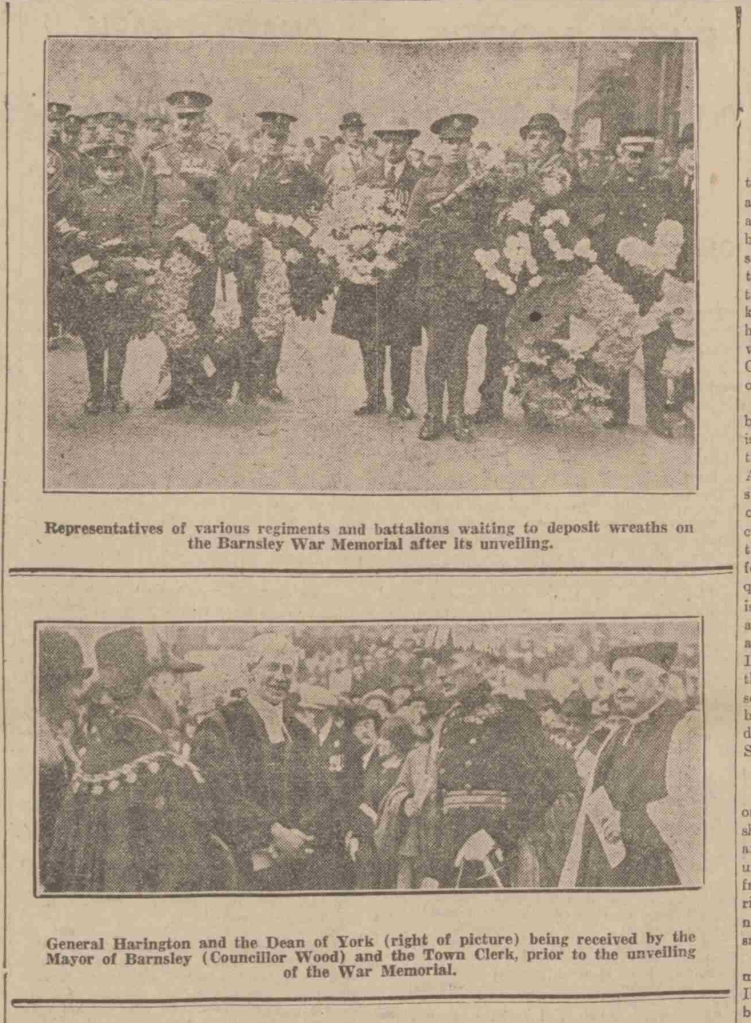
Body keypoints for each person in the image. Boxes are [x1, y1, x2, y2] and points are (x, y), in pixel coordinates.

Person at [44, 627, 219, 893]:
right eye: (172, 679)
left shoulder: (104, 744)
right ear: (150, 684)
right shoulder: (152, 751)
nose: (181, 690)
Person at [387, 654, 578, 888]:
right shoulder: (449, 721)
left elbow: (541, 787)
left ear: (478, 665)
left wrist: (493, 835)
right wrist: (434, 867)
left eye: (449, 663)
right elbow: (440, 802)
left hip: (501, 853)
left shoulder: (514, 714)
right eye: (438, 666)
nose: (440, 674)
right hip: (451, 854)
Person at [191, 634, 331, 891]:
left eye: (287, 670)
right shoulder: (219, 725)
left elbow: (320, 793)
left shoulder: (301, 733)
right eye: (272, 667)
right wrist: (274, 833)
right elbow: (218, 794)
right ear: (250, 671)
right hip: (240, 868)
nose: (280, 677)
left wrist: (298, 837)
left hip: (298, 864)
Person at [559, 642, 702, 888]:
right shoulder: (617, 733)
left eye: (634, 675)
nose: (621, 685)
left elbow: (696, 808)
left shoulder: (687, 728)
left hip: (656, 873)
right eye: (616, 676)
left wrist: (627, 823)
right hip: (605, 872)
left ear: (662, 682)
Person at [474, 113, 578, 427]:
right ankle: (491, 403)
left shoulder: (563, 172)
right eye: (532, 137)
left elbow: (556, 205)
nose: (536, 143)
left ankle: (540, 405)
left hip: (546, 271)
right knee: (499, 333)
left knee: (541, 333)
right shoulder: (515, 170)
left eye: (544, 137)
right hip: (510, 267)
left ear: (557, 142)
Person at [405, 114, 496, 442]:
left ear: (470, 144)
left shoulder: (482, 183)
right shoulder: (425, 185)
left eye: (461, 142)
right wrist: (433, 238)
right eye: (449, 141)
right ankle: (433, 414)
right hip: (434, 276)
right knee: (435, 348)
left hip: (466, 277)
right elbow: (412, 230)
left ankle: (456, 414)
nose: (455, 148)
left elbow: (489, 232)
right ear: (439, 146)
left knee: (459, 349)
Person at [142, 90, 232, 409]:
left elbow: (225, 205)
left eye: (193, 117)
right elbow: (147, 205)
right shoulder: (157, 156)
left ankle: (198, 383)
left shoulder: (216, 156)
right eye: (181, 117)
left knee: (199, 312)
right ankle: (175, 384)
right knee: (170, 315)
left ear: (202, 119)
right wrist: (152, 247)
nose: (187, 123)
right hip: (167, 247)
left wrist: (208, 232)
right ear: (172, 119)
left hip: (202, 248)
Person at [229, 110, 326, 401]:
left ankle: (269, 378)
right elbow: (232, 208)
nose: (274, 142)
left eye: (281, 138)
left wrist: (300, 228)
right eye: (269, 136)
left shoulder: (295, 169)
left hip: (283, 250)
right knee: (248, 311)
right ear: (259, 137)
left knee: (275, 313)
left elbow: (318, 198)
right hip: (249, 249)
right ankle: (246, 377)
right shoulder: (242, 169)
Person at [331, 125, 424, 419]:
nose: (393, 146)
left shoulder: (420, 178)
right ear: (380, 143)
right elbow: (347, 218)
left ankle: (400, 400)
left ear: (409, 143)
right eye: (387, 140)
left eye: (400, 140)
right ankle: (374, 396)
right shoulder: (366, 175)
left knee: (401, 338)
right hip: (368, 271)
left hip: (402, 271)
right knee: (368, 337)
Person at [593, 129, 679, 438]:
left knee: (655, 348)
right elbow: (600, 235)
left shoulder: (663, 188)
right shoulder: (609, 187)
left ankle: (656, 416)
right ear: (620, 155)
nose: (637, 161)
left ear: (651, 157)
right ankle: (619, 410)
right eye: (631, 155)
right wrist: (619, 260)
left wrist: (660, 260)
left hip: (654, 280)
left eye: (643, 155)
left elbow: (673, 228)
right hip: (621, 277)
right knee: (619, 340)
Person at [66, 143, 150, 413]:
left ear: (123, 170)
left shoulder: (131, 198)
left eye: (116, 169)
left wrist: (121, 242)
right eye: (105, 168)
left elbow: (141, 236)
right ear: (96, 169)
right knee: (93, 337)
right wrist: (83, 240)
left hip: (121, 272)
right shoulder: (83, 196)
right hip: (90, 273)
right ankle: (95, 394)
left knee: (118, 336)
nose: (110, 174)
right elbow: (70, 233)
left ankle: (115, 392)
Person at [37, 630, 94, 888]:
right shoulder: (42, 749)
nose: (81, 693)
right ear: (53, 685)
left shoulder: (57, 736)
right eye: (75, 683)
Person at [348, 716, 414, 889]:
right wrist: (356, 835)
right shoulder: (374, 767)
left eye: (386, 740)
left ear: (398, 743)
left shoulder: (406, 770)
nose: (379, 743)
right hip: (367, 842)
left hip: (394, 844)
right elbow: (359, 800)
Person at [324, 112, 367, 192]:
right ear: (344, 135)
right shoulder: (334, 163)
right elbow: (325, 191)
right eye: (351, 131)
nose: (356, 134)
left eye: (359, 130)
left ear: (363, 134)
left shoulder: (373, 162)